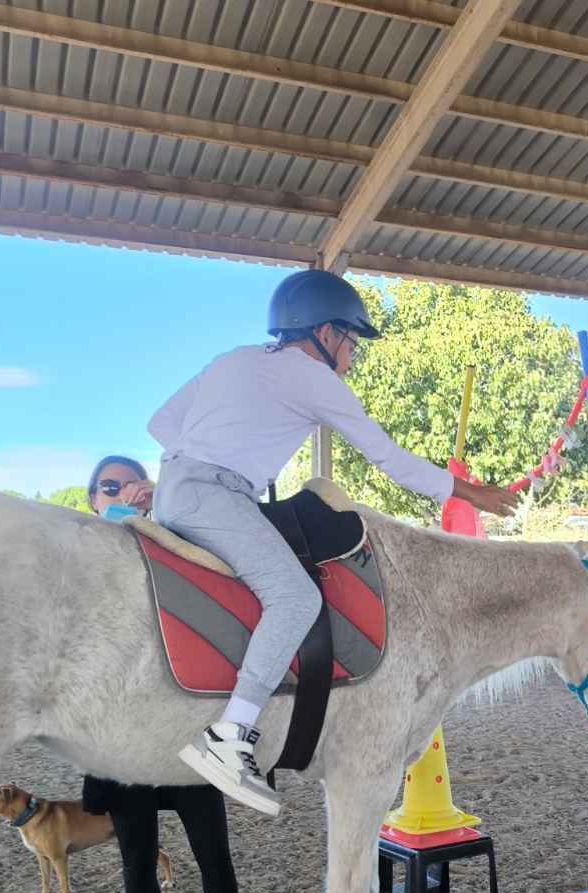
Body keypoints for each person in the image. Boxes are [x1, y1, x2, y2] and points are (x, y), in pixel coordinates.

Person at [148, 270, 519, 817]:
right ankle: (231, 735)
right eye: (350, 340)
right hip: (214, 493)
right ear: (324, 332)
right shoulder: (312, 379)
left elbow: (160, 424)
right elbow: (387, 458)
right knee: (296, 598)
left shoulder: (235, 358)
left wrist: (227, 443)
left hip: (180, 486)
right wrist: (469, 491)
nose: (352, 354)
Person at [84, 456, 292, 893]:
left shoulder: (176, 542)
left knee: (213, 853)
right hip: (124, 737)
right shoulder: (85, 552)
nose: (122, 493)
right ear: (92, 502)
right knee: (137, 857)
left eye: (131, 483)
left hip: (183, 727)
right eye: (109, 487)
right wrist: (121, 519)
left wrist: (166, 517)